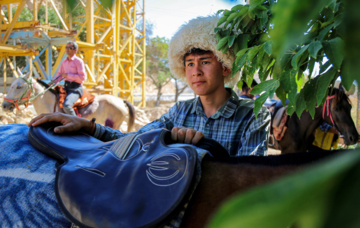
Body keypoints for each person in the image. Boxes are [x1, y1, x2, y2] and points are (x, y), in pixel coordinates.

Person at [29, 15, 270, 157]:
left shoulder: (253, 115)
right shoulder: (179, 112)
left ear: (226, 66)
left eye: (205, 62)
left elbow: (250, 180)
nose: (196, 71)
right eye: (189, 64)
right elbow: (134, 139)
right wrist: (88, 126)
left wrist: (204, 149)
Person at [54, 41, 86, 116]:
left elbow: (82, 78)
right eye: (66, 47)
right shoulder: (64, 62)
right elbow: (59, 74)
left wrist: (67, 75)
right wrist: (52, 82)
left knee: (67, 106)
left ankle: (76, 122)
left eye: (70, 48)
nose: (67, 49)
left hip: (75, 89)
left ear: (75, 50)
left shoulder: (78, 62)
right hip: (66, 88)